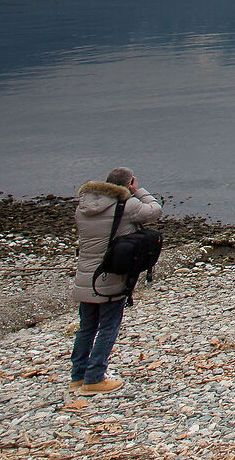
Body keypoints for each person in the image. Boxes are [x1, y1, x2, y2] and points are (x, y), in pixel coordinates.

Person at [69, 167, 161, 394]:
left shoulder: (82, 207)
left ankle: (78, 377)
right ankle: (95, 378)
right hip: (110, 274)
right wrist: (138, 191)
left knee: (86, 327)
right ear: (129, 184)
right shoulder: (126, 206)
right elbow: (155, 210)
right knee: (109, 325)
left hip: (85, 275)